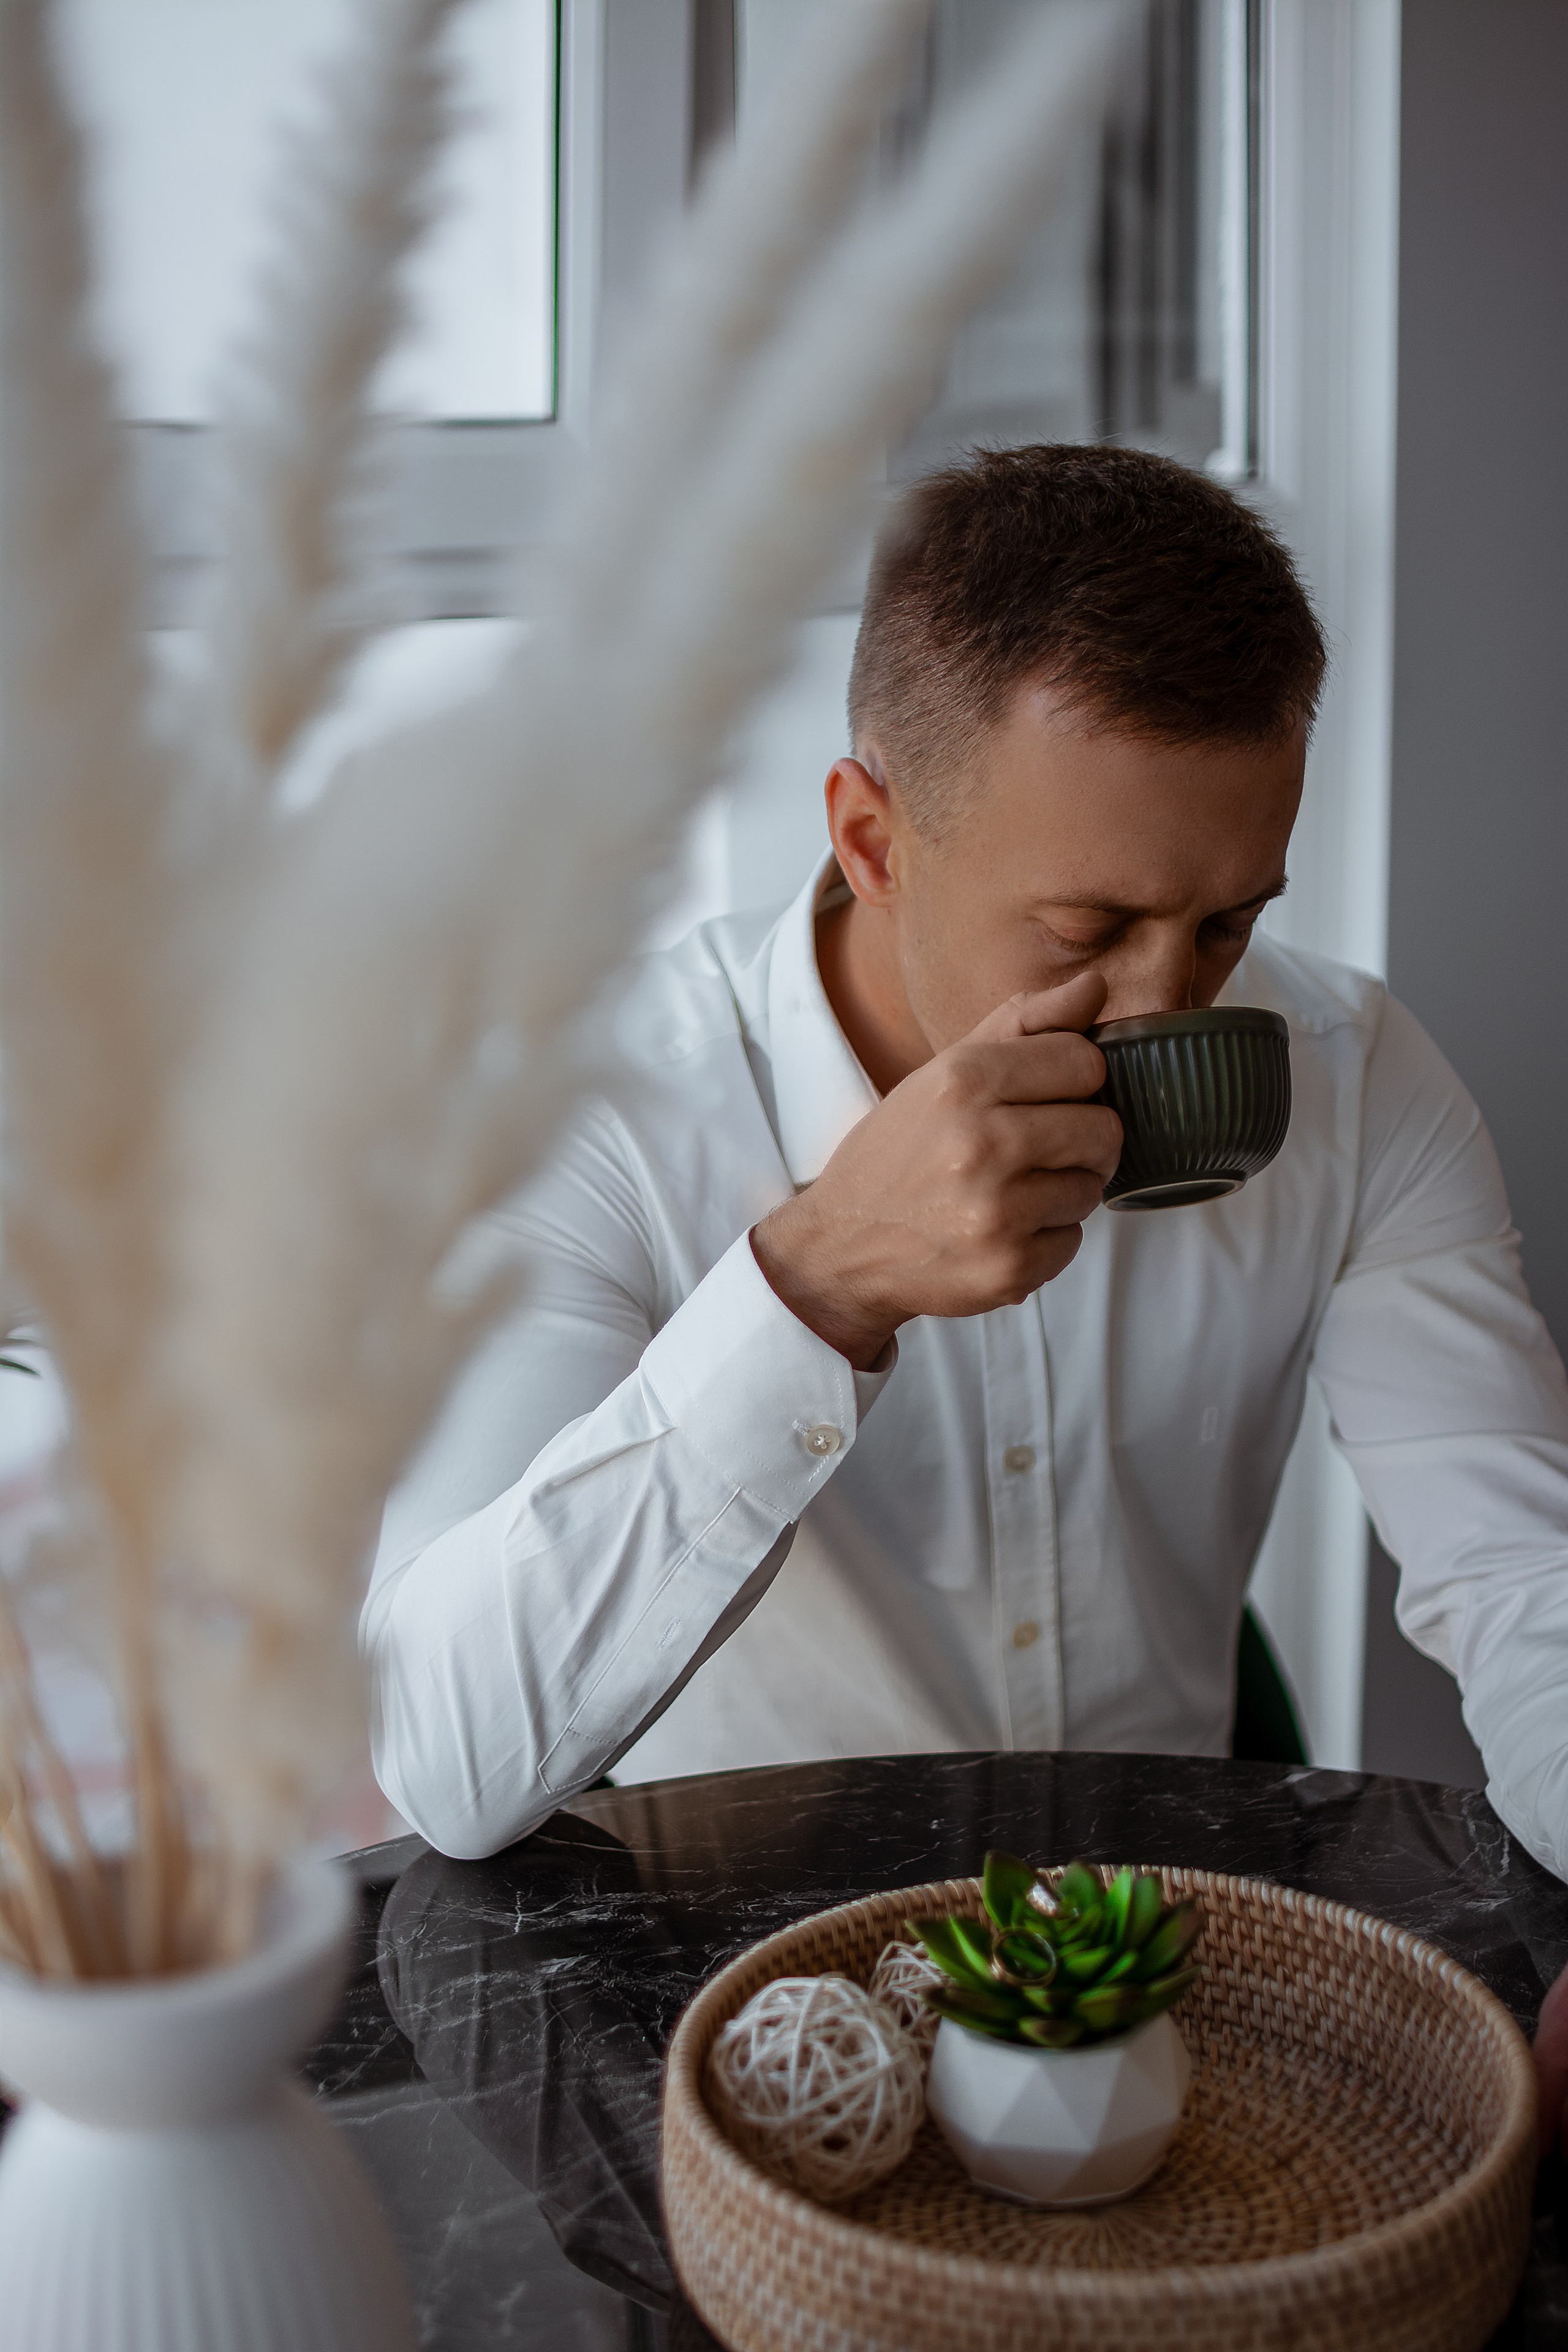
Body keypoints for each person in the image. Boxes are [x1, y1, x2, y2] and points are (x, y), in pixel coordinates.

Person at [362, 445, 1568, 2152]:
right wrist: (818, 1282)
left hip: (1165, 1974)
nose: (1168, 1004)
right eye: (1092, 924)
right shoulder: (577, 1112)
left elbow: (1524, 1572)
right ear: (871, 837)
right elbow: (446, 1754)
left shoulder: (1359, 1082)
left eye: (1228, 924)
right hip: (713, 1996)